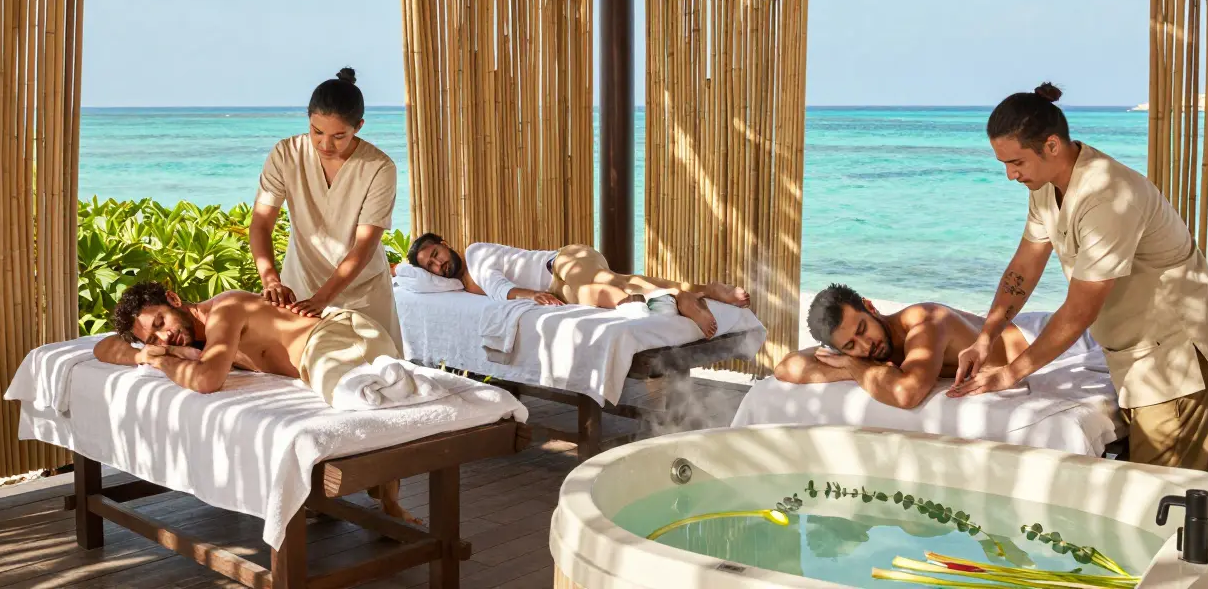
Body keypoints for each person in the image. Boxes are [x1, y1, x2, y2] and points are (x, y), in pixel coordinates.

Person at [945, 82, 1208, 473]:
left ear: (1052, 145)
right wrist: (985, 337)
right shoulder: (1045, 185)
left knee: (1165, 497)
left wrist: (1010, 374)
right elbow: (1024, 265)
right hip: (1134, 355)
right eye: (1004, 163)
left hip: (1177, 357)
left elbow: (1079, 311)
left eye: (1016, 162)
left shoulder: (1107, 196)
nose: (1009, 175)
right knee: (1150, 492)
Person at [92, 281, 416, 522]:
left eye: (161, 323)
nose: (165, 337)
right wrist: (140, 354)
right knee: (357, 395)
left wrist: (159, 360)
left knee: (363, 396)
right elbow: (102, 347)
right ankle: (382, 493)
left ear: (174, 299)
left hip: (338, 339)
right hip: (320, 356)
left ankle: (389, 497)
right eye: (153, 338)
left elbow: (207, 380)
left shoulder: (224, 310)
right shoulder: (197, 339)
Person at [249, 67, 402, 351]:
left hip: (363, 293)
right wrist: (270, 279)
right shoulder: (286, 154)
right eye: (316, 131)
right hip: (300, 286)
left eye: (339, 136)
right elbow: (260, 224)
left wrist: (323, 299)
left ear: (359, 126)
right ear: (308, 119)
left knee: (379, 371)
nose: (325, 144)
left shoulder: (379, 168)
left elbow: (365, 245)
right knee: (304, 373)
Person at [773, 283, 1081, 409]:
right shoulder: (864, 351)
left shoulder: (924, 322)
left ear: (870, 306)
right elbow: (786, 367)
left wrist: (855, 366)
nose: (867, 345)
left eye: (863, 329)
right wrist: (858, 366)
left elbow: (906, 393)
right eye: (851, 346)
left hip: (1048, 341)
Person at [405, 234, 750, 338]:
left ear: (446, 244)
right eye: (430, 266)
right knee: (617, 286)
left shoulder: (476, 254)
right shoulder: (456, 285)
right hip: (560, 287)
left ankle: (680, 299)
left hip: (564, 261)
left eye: (436, 254)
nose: (438, 265)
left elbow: (496, 286)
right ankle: (704, 289)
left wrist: (527, 295)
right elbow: (406, 280)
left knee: (603, 289)